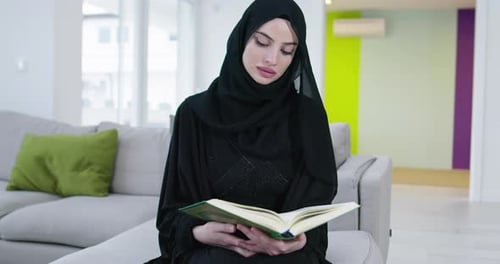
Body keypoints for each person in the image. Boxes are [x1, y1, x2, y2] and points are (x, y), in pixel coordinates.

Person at [147, 0, 337, 263]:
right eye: (262, 42)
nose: (272, 59)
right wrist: (199, 232)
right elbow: (170, 214)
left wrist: (296, 241)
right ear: (242, 39)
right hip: (213, 254)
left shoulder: (308, 116)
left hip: (283, 257)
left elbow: (315, 215)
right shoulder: (192, 113)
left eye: (287, 51)